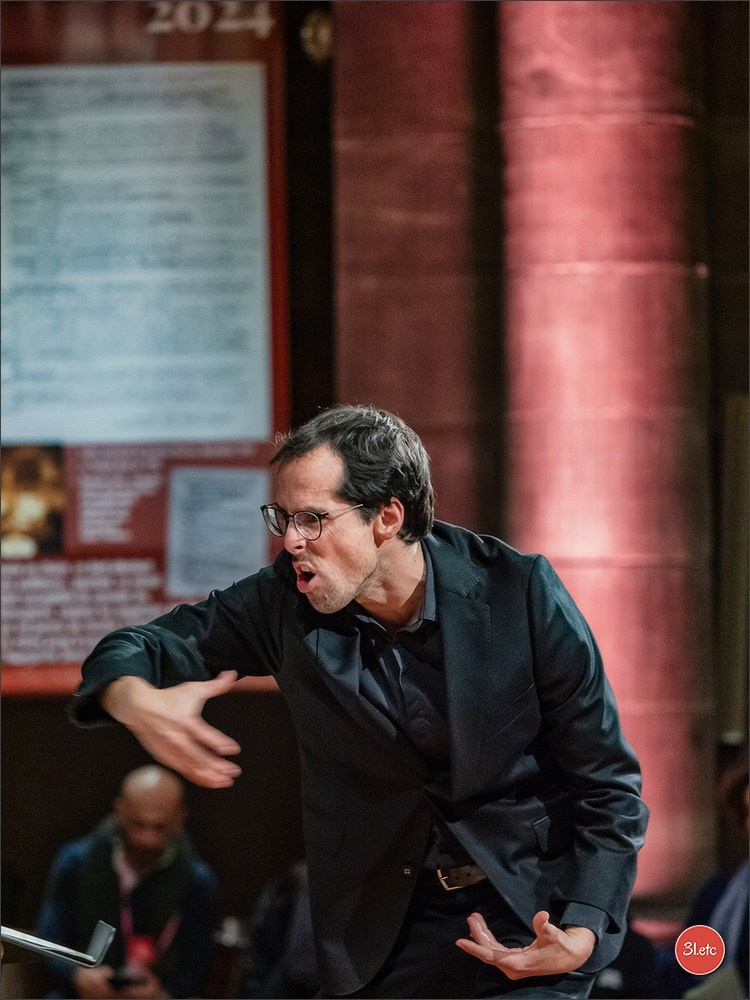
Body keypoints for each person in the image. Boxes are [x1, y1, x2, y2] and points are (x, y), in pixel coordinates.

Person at [69, 404, 649, 999]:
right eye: (283, 517)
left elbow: (606, 782)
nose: (292, 540)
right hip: (381, 932)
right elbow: (140, 644)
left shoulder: (516, 592)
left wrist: (583, 926)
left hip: (529, 914)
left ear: (388, 516)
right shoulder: (282, 605)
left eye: (313, 518)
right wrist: (131, 697)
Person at [35, 764, 221, 1000]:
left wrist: (163, 994)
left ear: (180, 818)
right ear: (119, 811)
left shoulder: (199, 882)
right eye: (138, 824)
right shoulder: (76, 862)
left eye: (160, 827)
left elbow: (196, 967)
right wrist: (77, 975)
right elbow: (48, 941)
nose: (148, 839)